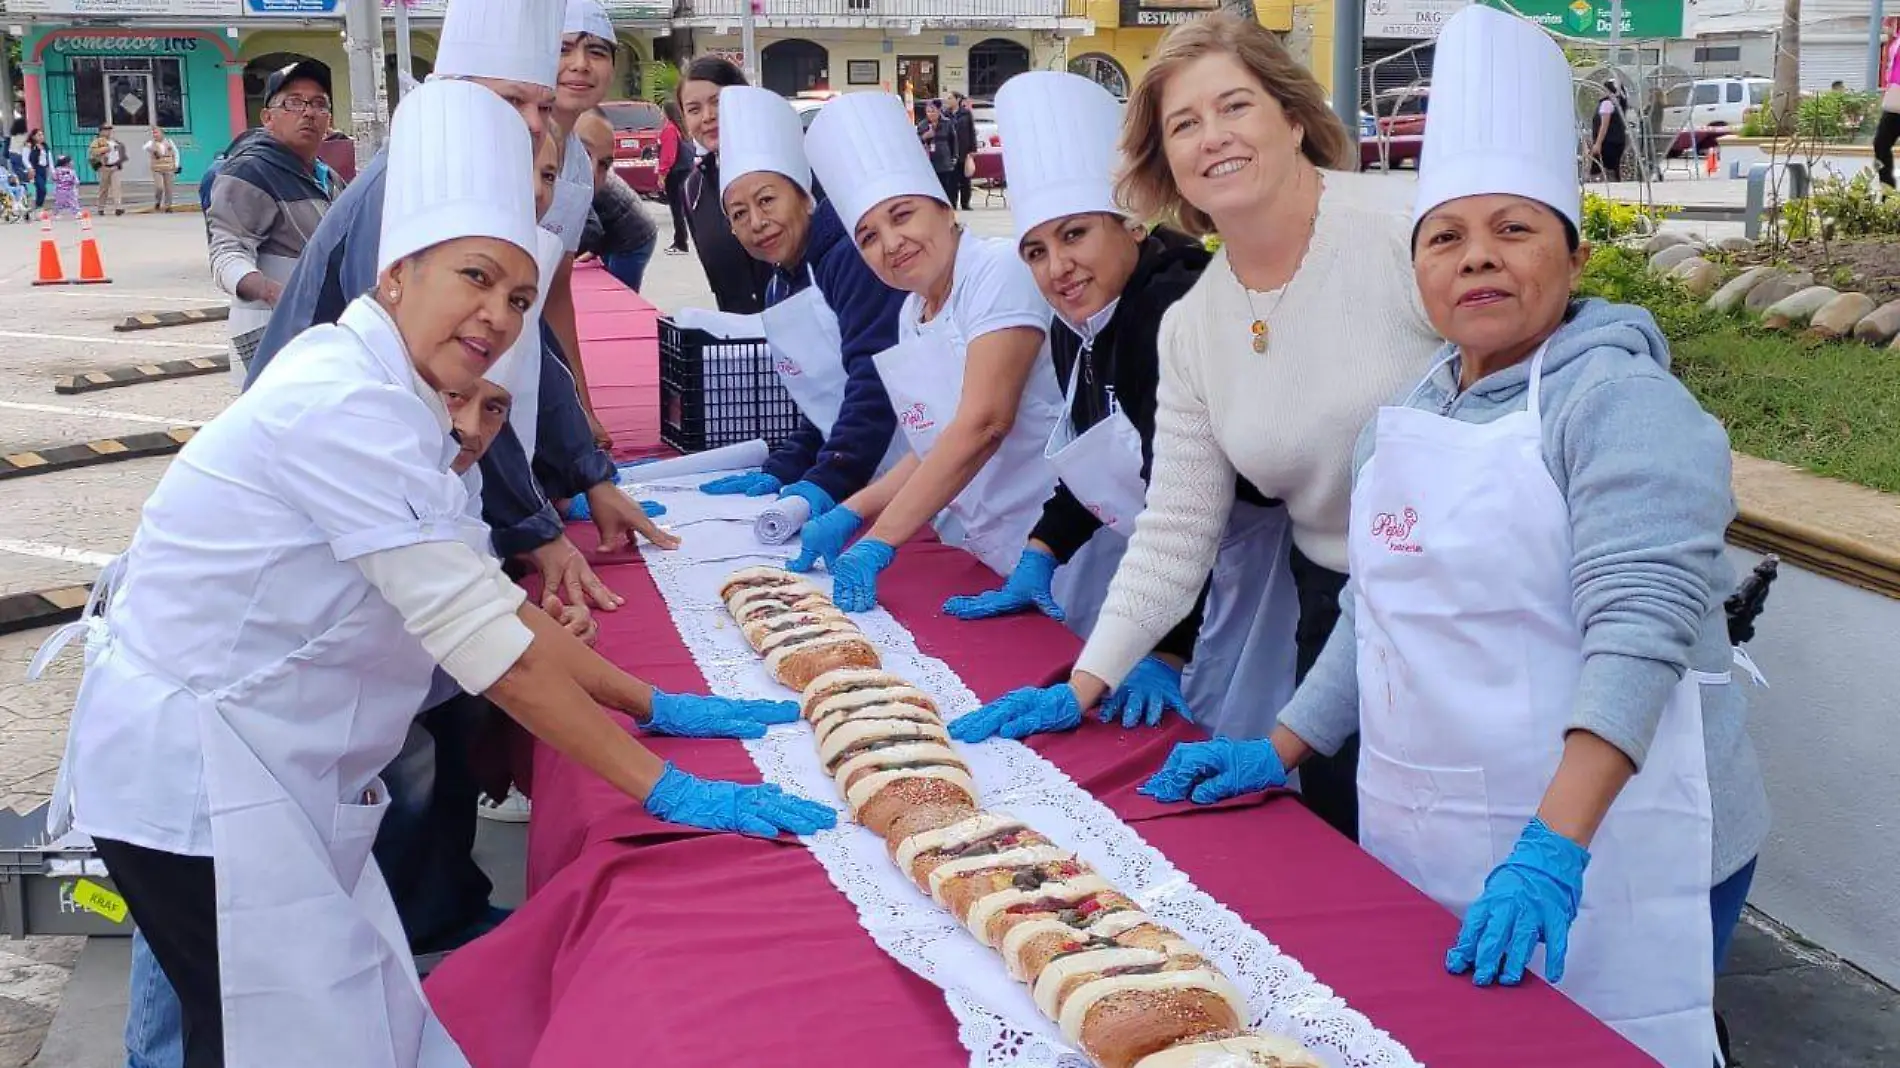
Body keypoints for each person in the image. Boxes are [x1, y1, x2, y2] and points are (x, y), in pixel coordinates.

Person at [34, 79, 832, 1068]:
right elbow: (486, 644)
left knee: (327, 1022)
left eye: (517, 294)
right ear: (397, 274)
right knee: (266, 1035)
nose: (496, 313)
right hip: (199, 774)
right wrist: (660, 785)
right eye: (473, 278)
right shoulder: (344, 404)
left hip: (266, 763)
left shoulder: (403, 396)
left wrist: (647, 702)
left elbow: (481, 596)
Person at [1139, 11, 1768, 1066]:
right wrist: (1282, 744)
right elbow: (1381, 610)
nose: (1477, 258)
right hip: (1439, 833)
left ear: (1571, 250)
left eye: (1512, 230)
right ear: (1419, 267)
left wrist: (1551, 850)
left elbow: (1638, 638)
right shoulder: (1412, 409)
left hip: (1611, 842)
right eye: (1446, 237)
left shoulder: (1620, 399)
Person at [953, 13, 1442, 838]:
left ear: (1292, 114)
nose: (1212, 137)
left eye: (1235, 107)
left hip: (1485, 608)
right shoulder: (1195, 320)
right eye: (1184, 123)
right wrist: (1086, 681)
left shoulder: (1408, 229)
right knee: (1366, 865)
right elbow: (1176, 526)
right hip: (1336, 621)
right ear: (1164, 159)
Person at [249, 0, 669, 612]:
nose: (529, 124)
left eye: (541, 106)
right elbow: (459, 374)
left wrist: (588, 471)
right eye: (508, 102)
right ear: (454, 93)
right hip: (326, 479)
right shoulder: (415, 183)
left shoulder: (490, 168)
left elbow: (529, 346)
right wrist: (534, 527)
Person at [939, 71, 1299, 739]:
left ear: (1131, 224)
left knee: (1227, 737)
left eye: (1075, 235)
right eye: (1036, 252)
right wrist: (1042, 551)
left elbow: (1194, 498)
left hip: (1245, 567)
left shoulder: (1172, 311)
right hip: (1178, 570)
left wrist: (1165, 650)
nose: (1057, 268)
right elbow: (1098, 448)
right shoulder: (1077, 323)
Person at [799, 90, 1063, 611]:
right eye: (869, 237)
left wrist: (881, 539)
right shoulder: (910, 312)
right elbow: (934, 442)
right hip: (992, 546)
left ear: (944, 208)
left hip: (1058, 545)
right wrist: (852, 511)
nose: (891, 243)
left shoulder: (998, 271)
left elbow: (984, 423)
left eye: (902, 215)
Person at [695, 85, 903, 516]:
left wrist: (828, 479)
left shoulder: (850, 257)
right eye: (738, 214)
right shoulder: (779, 281)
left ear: (805, 196)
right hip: (866, 478)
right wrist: (787, 464)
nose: (757, 223)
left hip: (906, 469)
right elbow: (825, 396)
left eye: (767, 199)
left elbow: (874, 379)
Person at [206, 59, 339, 381]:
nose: (308, 112)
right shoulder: (251, 171)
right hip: (267, 329)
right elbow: (226, 250)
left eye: (319, 104)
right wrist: (267, 289)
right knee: (275, 426)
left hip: (317, 328)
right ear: (268, 117)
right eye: (294, 102)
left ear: (329, 120)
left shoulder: (328, 176)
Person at [540, 0, 621, 450]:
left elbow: (555, 291)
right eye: (565, 48)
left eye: (596, 52)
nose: (579, 65)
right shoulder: (505, 138)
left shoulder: (575, 162)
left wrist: (583, 409)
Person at [677, 56, 773, 313]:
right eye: (694, 109)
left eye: (717, 102)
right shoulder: (693, 191)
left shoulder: (784, 169)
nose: (707, 117)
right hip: (741, 347)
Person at [574, 106, 659, 292]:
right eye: (582, 154)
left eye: (605, 164)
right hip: (616, 232)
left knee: (621, 293)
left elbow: (591, 230)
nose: (591, 172)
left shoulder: (583, 185)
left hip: (635, 239)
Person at [660, 98, 693, 255]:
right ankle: (683, 240)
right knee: (685, 208)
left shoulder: (669, 130)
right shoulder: (683, 130)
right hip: (686, 171)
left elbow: (668, 155)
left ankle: (680, 242)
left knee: (677, 209)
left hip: (675, 173)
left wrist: (662, 174)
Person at [917, 99, 959, 203]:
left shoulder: (947, 123)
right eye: (928, 111)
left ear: (939, 110)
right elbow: (916, 142)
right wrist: (925, 136)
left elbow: (953, 141)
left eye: (933, 111)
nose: (930, 114)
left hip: (944, 159)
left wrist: (954, 157)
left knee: (946, 186)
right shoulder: (922, 125)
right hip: (929, 159)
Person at [943, 89, 978, 211]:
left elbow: (971, 132)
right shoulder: (945, 114)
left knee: (965, 179)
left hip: (964, 149)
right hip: (951, 151)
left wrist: (973, 149)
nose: (948, 101)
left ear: (957, 99)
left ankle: (965, 203)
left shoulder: (966, 114)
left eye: (950, 98)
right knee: (952, 179)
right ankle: (952, 203)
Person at [1589, 78, 1628, 182]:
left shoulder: (1606, 103)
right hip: (1617, 141)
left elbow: (1604, 126)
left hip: (1607, 142)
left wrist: (1597, 143)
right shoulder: (1618, 103)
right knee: (1613, 168)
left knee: (1600, 169)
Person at [87, 124, 128, 215]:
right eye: (106, 129)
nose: (108, 131)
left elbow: (120, 151)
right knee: (103, 188)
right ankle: (101, 208)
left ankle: (118, 207)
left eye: (109, 129)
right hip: (103, 167)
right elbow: (93, 151)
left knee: (116, 187)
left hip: (115, 166)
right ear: (101, 131)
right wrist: (106, 149)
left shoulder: (114, 141)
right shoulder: (97, 141)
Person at [145, 127, 180, 212]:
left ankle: (168, 206)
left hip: (168, 167)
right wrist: (151, 149)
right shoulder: (151, 143)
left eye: (156, 133)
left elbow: (176, 153)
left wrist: (176, 164)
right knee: (159, 187)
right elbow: (145, 147)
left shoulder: (169, 142)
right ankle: (158, 202)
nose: (155, 135)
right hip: (157, 169)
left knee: (169, 188)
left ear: (162, 133)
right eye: (154, 133)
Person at [49, 154, 81, 219]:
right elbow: (75, 180)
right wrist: (77, 186)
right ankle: (77, 213)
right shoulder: (72, 171)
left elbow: (54, 178)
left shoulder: (57, 170)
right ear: (67, 163)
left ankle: (56, 214)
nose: (72, 162)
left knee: (59, 202)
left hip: (59, 190)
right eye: (71, 161)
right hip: (70, 190)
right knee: (73, 201)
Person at [25, 129, 49, 209]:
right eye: (39, 135)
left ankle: (39, 206)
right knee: (42, 188)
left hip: (43, 169)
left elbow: (49, 158)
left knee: (40, 189)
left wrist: (52, 170)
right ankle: (39, 205)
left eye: (42, 135)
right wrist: (30, 168)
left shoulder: (45, 146)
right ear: (33, 136)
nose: (41, 137)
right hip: (35, 169)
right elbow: (25, 158)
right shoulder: (29, 145)